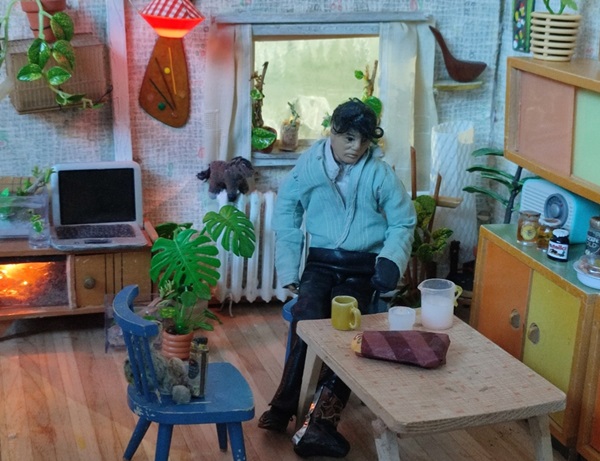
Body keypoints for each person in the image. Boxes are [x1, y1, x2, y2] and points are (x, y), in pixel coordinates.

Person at [258, 98, 416, 458]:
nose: (355, 147)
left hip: (363, 267)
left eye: (364, 140)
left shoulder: (379, 173)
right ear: (332, 131)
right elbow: (287, 210)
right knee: (307, 320)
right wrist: (289, 269)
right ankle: (283, 407)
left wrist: (389, 261)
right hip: (321, 263)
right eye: (348, 138)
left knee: (346, 332)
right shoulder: (310, 165)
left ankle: (321, 424)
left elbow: (403, 221)